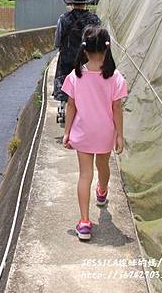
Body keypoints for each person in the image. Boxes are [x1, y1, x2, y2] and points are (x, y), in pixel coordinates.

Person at [60, 27, 128, 241]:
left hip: (83, 133)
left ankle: (84, 223)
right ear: (107, 48)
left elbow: (71, 106)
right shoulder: (115, 77)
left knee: (84, 175)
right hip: (105, 133)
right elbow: (117, 108)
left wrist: (67, 133)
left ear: (85, 49)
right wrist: (119, 135)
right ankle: (103, 190)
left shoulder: (76, 76)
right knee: (103, 166)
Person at [54, 0, 101, 125]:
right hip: (87, 61)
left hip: (67, 60)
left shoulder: (63, 19)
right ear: (86, 2)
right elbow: (99, 41)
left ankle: (63, 108)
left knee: (65, 83)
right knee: (87, 85)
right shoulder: (95, 20)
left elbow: (57, 41)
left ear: (71, 2)